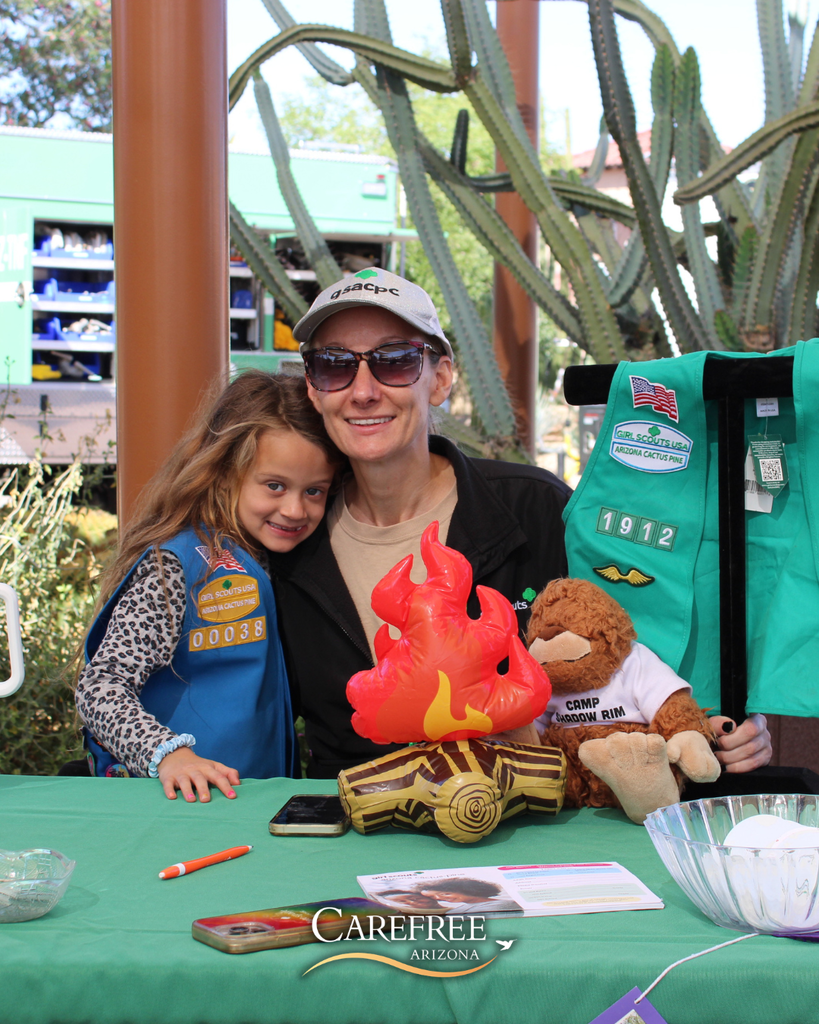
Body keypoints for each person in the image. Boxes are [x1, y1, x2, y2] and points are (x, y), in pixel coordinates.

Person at [270, 267, 772, 779]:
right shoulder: (288, 536)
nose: (362, 390)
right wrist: (180, 748)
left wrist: (718, 720)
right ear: (313, 388)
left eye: (394, 362)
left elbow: (640, 638)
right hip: (354, 826)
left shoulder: (534, 509)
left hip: (525, 825)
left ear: (440, 378)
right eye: (333, 366)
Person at [75, 371, 342, 802]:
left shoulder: (279, 561)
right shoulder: (176, 565)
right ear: (223, 472)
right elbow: (100, 687)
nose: (295, 509)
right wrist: (167, 755)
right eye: (274, 486)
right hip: (174, 804)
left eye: (315, 491)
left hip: (253, 803)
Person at [417, 879, 521, 915]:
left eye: (445, 894)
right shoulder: (458, 910)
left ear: (465, 889)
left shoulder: (503, 904)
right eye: (433, 897)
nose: (439, 898)